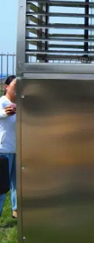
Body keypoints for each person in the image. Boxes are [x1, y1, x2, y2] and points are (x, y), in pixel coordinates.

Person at [0, 75, 17, 220]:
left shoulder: (21, 104)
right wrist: (4, 113)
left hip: (19, 151)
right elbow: (3, 114)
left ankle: (16, 211)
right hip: (4, 151)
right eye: (15, 85)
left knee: (18, 185)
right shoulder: (2, 103)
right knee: (1, 188)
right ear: (6, 87)